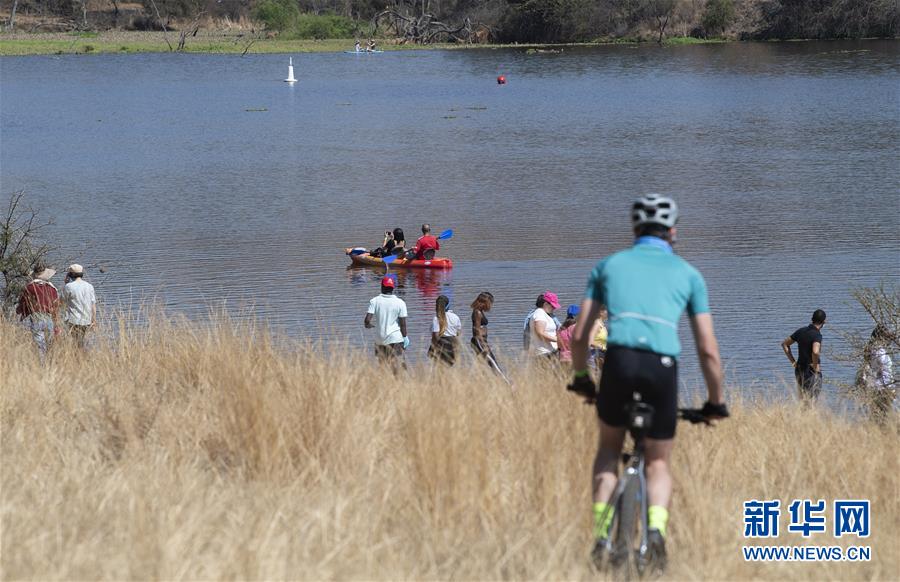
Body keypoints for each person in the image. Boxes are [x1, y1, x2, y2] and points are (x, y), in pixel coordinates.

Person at [567, 194, 728, 571]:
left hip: (619, 362)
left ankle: (602, 537)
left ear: (634, 228)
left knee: (609, 451)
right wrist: (716, 400)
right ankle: (655, 535)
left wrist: (581, 379)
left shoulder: (608, 266)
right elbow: (708, 350)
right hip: (661, 367)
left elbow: (579, 337)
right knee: (658, 462)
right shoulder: (688, 273)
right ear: (673, 232)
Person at [16, 263, 60, 360]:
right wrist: (56, 323)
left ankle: (41, 368)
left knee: (40, 346)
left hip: (36, 317)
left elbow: (22, 304)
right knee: (50, 346)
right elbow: (55, 306)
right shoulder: (52, 288)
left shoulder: (29, 287)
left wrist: (21, 313)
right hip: (49, 318)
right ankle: (50, 366)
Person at [364, 276, 408, 372]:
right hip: (396, 339)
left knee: (383, 367)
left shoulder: (374, 301)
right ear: (393, 288)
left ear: (382, 287)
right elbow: (403, 324)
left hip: (380, 340)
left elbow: (367, 320)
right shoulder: (400, 303)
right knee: (398, 368)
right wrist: (405, 338)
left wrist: (368, 325)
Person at [781, 309, 826, 402]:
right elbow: (815, 352)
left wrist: (793, 362)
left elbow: (785, 344)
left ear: (812, 319)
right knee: (812, 401)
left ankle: (802, 416)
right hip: (811, 372)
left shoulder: (801, 331)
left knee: (803, 401)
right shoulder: (817, 335)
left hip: (799, 370)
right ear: (824, 322)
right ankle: (810, 416)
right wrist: (815, 366)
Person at [856, 324, 895, 423]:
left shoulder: (873, 349)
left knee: (877, 416)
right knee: (883, 417)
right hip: (882, 388)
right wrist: (889, 388)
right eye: (886, 336)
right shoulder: (878, 351)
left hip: (878, 387)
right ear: (882, 337)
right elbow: (883, 371)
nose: (888, 339)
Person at [60, 263, 96, 350]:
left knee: (75, 342)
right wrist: (94, 320)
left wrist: (65, 283)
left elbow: (61, 302)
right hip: (86, 319)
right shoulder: (89, 286)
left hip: (73, 319)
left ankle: (77, 359)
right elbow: (93, 305)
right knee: (80, 341)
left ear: (70, 275)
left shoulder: (68, 286)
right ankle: (81, 358)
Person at [429, 295, 462, 365]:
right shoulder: (455, 317)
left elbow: (435, 336)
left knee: (440, 369)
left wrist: (432, 349)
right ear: (448, 305)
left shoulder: (436, 318)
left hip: (441, 345)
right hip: (453, 345)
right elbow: (458, 334)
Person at [529, 292, 561, 361]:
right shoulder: (539, 313)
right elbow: (540, 333)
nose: (554, 308)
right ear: (545, 304)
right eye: (552, 306)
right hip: (544, 354)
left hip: (549, 352)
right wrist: (558, 340)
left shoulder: (545, 314)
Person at [589, 304, 609, 368]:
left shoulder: (602, 324)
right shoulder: (596, 324)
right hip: (595, 355)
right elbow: (590, 341)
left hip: (601, 354)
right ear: (601, 312)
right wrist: (602, 347)